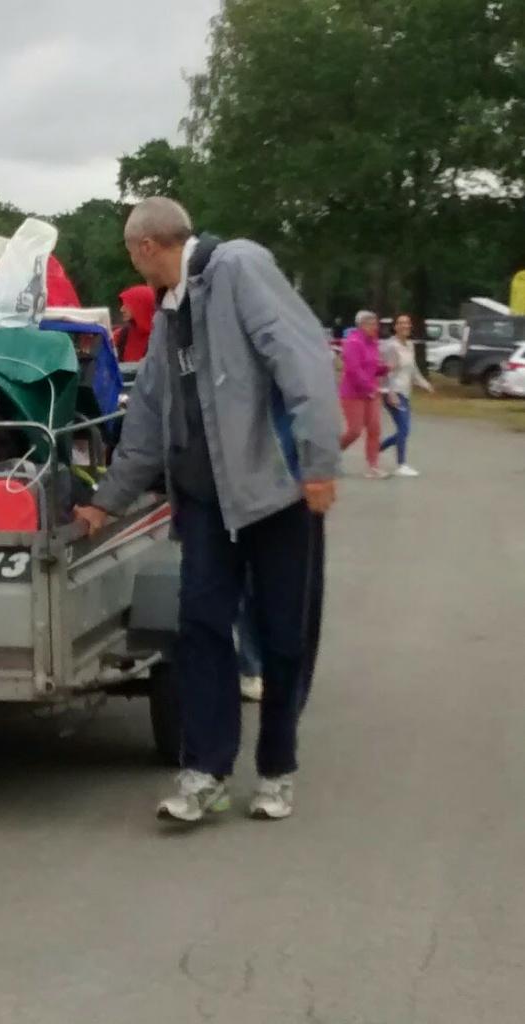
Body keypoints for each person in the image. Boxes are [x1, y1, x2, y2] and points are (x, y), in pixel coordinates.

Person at [74, 197, 341, 823]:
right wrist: (103, 503)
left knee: (281, 636)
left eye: (132, 256)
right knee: (199, 630)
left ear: (145, 247)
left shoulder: (240, 268)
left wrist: (319, 462)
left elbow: (302, 361)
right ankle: (205, 771)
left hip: (275, 496)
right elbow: (145, 421)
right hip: (203, 504)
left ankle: (277, 769)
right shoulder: (169, 314)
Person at [380, 313, 434, 477]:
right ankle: (401, 464)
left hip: (404, 392)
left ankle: (376, 449)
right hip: (392, 393)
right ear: (395, 326)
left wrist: (425, 384)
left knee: (404, 430)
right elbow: (385, 372)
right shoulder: (390, 346)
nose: (405, 326)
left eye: (407, 323)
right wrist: (390, 392)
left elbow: (413, 370)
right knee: (404, 429)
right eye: (401, 323)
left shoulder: (409, 345)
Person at [339, 310, 389, 478]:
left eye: (376, 324)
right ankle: (330, 457)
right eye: (372, 324)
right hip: (353, 393)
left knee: (375, 429)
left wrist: (385, 368)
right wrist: (368, 387)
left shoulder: (373, 342)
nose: (376, 327)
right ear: (362, 325)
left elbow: (372, 367)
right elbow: (353, 370)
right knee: (354, 431)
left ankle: (373, 466)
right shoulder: (353, 342)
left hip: (370, 393)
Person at [112, 285, 156, 362]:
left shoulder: (161, 338)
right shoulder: (121, 335)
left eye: (127, 305)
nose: (121, 310)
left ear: (141, 306)